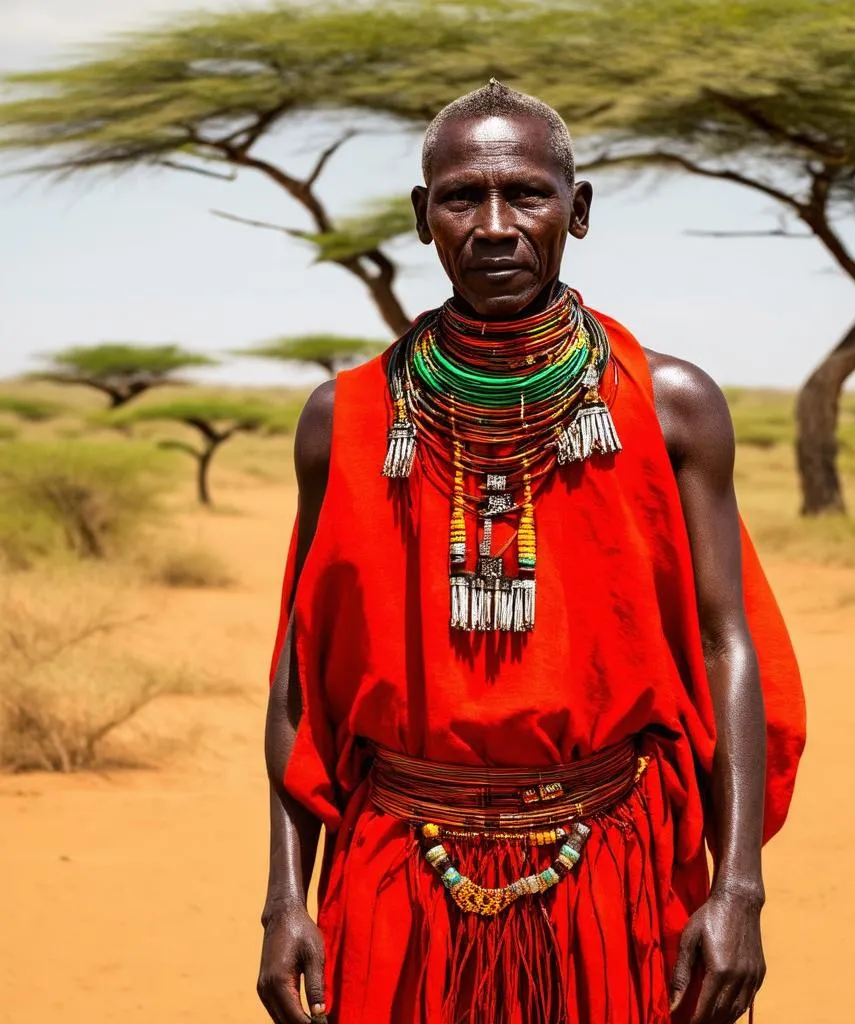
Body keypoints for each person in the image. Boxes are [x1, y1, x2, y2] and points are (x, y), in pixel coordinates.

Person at [257, 80, 805, 1024]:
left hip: (611, 870)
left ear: (578, 211)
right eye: (464, 197)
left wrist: (738, 887)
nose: (497, 225)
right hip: (397, 876)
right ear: (423, 218)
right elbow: (301, 680)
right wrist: (282, 898)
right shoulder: (341, 419)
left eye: (529, 194)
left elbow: (729, 645)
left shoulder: (671, 405)